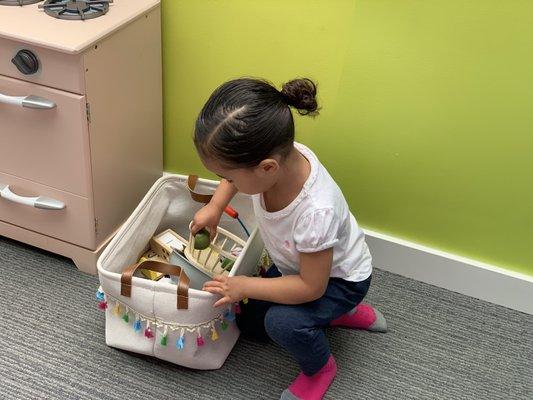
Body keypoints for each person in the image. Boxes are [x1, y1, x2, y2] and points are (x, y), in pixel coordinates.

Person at [191, 77, 387, 400]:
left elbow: (312, 287)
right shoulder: (280, 155)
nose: (225, 182)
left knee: (281, 323)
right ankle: (331, 314)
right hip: (299, 269)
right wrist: (214, 206)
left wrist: (244, 285)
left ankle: (322, 364)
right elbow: (238, 175)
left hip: (338, 281)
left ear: (267, 169)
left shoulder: (314, 212)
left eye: (226, 177)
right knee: (251, 322)